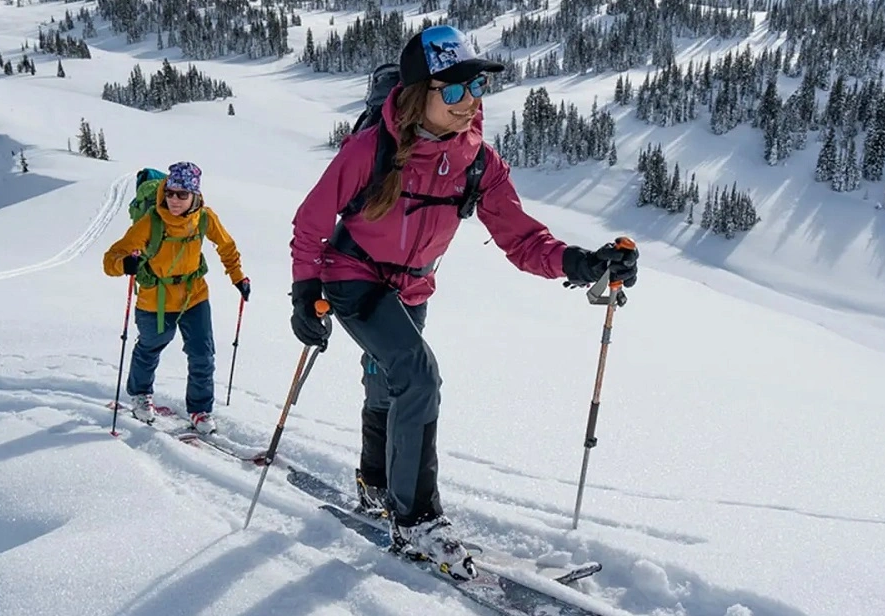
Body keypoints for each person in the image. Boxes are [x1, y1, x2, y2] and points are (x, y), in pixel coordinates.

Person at [287, 25, 640, 578]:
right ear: (415, 93)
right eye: (452, 90)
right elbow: (312, 221)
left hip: (414, 286)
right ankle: (416, 520)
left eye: (475, 86)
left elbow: (523, 239)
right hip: (353, 276)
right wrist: (305, 292)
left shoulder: (480, 162)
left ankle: (375, 482)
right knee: (419, 377)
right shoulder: (370, 150)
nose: (468, 100)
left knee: (388, 382)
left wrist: (582, 262)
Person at [104, 161, 250, 435]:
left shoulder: (205, 218)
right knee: (149, 348)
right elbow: (110, 258)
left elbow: (226, 246)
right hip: (155, 299)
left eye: (181, 194)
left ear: (195, 195)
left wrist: (238, 277)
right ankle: (140, 394)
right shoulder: (151, 221)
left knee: (202, 355)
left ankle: (199, 409)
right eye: (170, 192)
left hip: (194, 295)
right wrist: (124, 265)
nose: (174, 199)